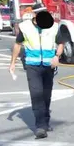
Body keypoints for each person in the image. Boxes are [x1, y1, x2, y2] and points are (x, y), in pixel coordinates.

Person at [9, 7, 67, 139]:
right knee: (36, 94)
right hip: (32, 66)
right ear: (34, 15)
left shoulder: (53, 26)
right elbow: (18, 44)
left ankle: (45, 121)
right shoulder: (25, 27)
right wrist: (12, 62)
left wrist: (57, 56)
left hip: (49, 66)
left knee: (46, 95)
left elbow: (60, 43)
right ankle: (40, 126)